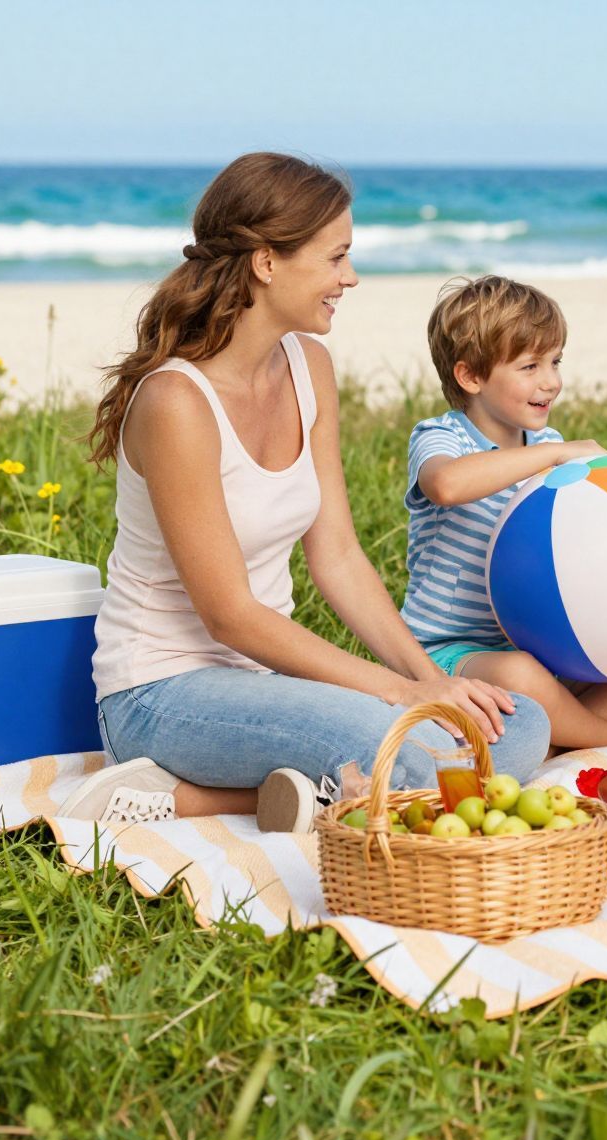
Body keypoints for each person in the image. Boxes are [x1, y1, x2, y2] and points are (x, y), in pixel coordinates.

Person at [57, 153, 550, 829]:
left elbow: (339, 556)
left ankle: (286, 790)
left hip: (261, 687)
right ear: (266, 262)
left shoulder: (308, 366)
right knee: (426, 752)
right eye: (335, 258)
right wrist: (400, 692)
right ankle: (203, 794)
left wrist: (431, 682)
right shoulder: (175, 402)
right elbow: (230, 615)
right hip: (159, 697)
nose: (348, 278)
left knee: (518, 728)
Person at [398, 275, 607, 746]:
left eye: (556, 361)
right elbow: (446, 484)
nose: (552, 381)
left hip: (551, 652)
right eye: (530, 366)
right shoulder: (442, 437)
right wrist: (554, 457)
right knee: (521, 675)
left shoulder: (548, 446)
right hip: (450, 656)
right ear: (471, 376)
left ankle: (557, 735)